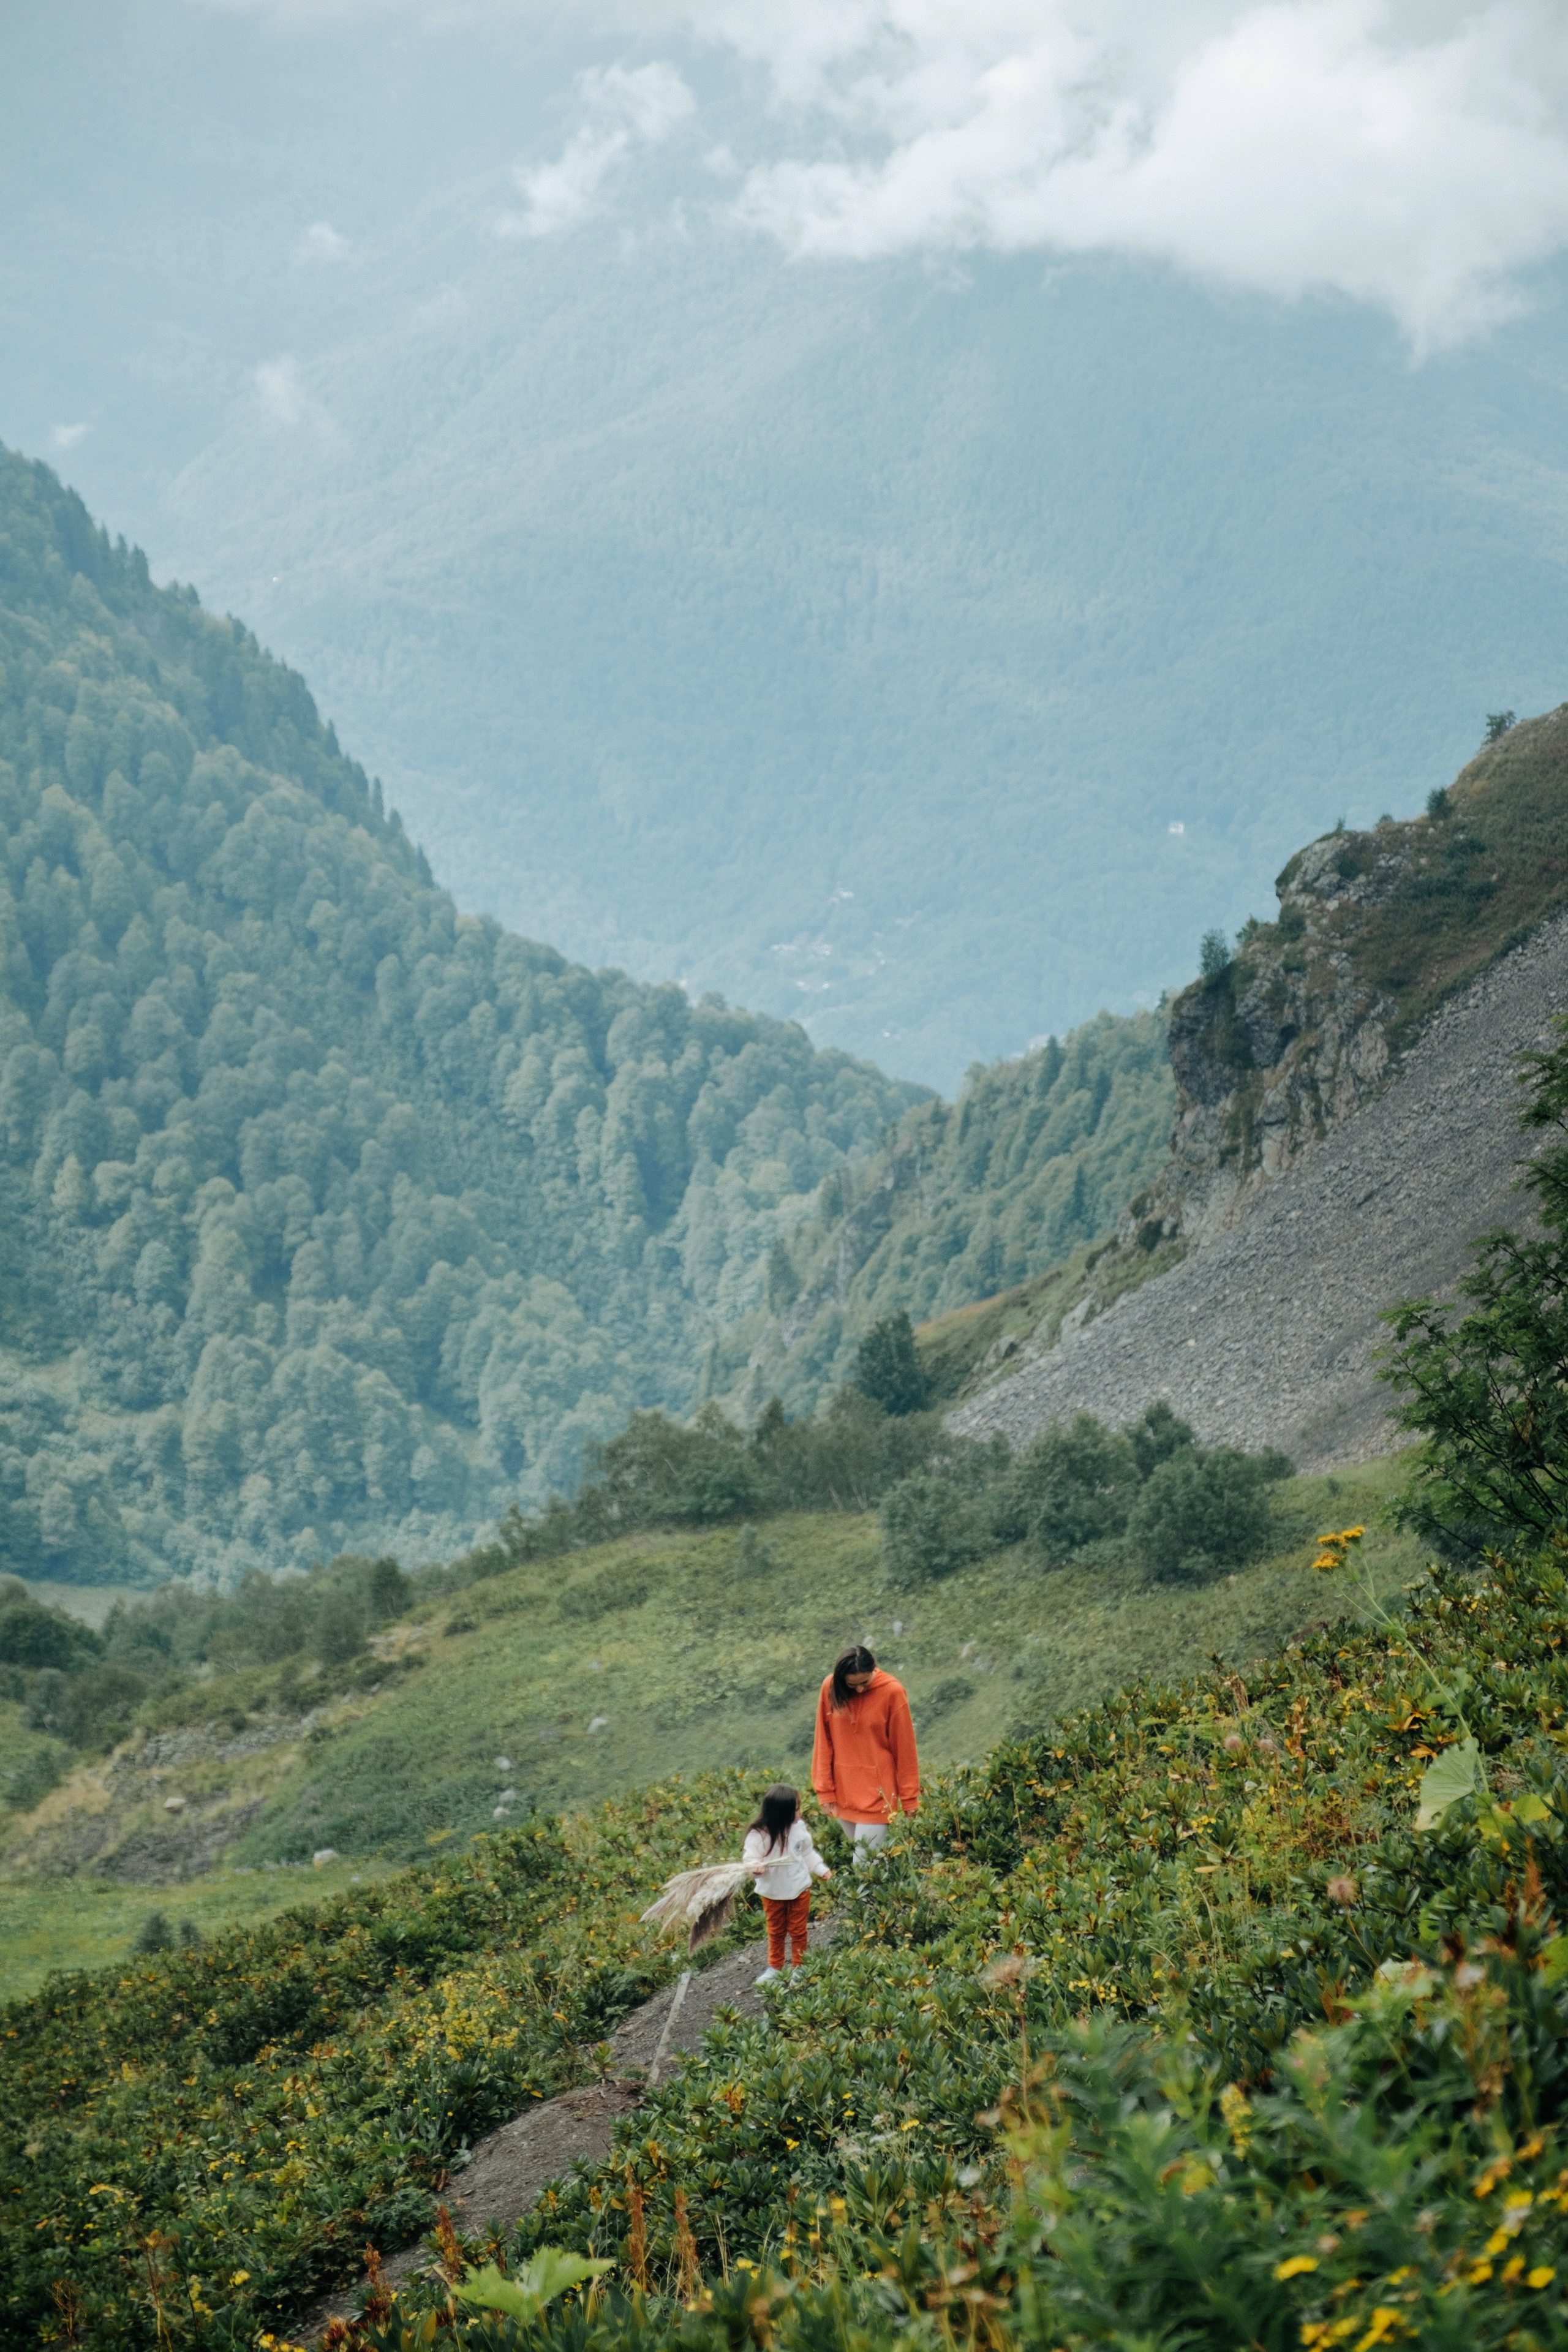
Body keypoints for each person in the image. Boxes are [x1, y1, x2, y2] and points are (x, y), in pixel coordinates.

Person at [811, 1645, 919, 1866]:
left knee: (863, 1866)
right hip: (844, 1793)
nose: (860, 1690)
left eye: (865, 1682)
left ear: (874, 1669)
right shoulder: (830, 1687)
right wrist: (825, 1792)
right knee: (872, 1865)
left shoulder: (893, 1691)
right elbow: (823, 1741)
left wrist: (909, 1798)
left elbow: (905, 1748)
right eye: (852, 1685)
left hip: (879, 1796)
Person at [743, 1782, 831, 1985]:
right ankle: (775, 1968)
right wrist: (755, 1867)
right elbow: (750, 1859)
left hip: (799, 1889)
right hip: (772, 1893)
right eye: (797, 1808)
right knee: (776, 1932)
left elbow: (807, 1852)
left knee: (798, 1931)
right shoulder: (759, 1835)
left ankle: (799, 1967)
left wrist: (820, 1869)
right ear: (782, 1813)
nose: (801, 1812)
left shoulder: (798, 1829)